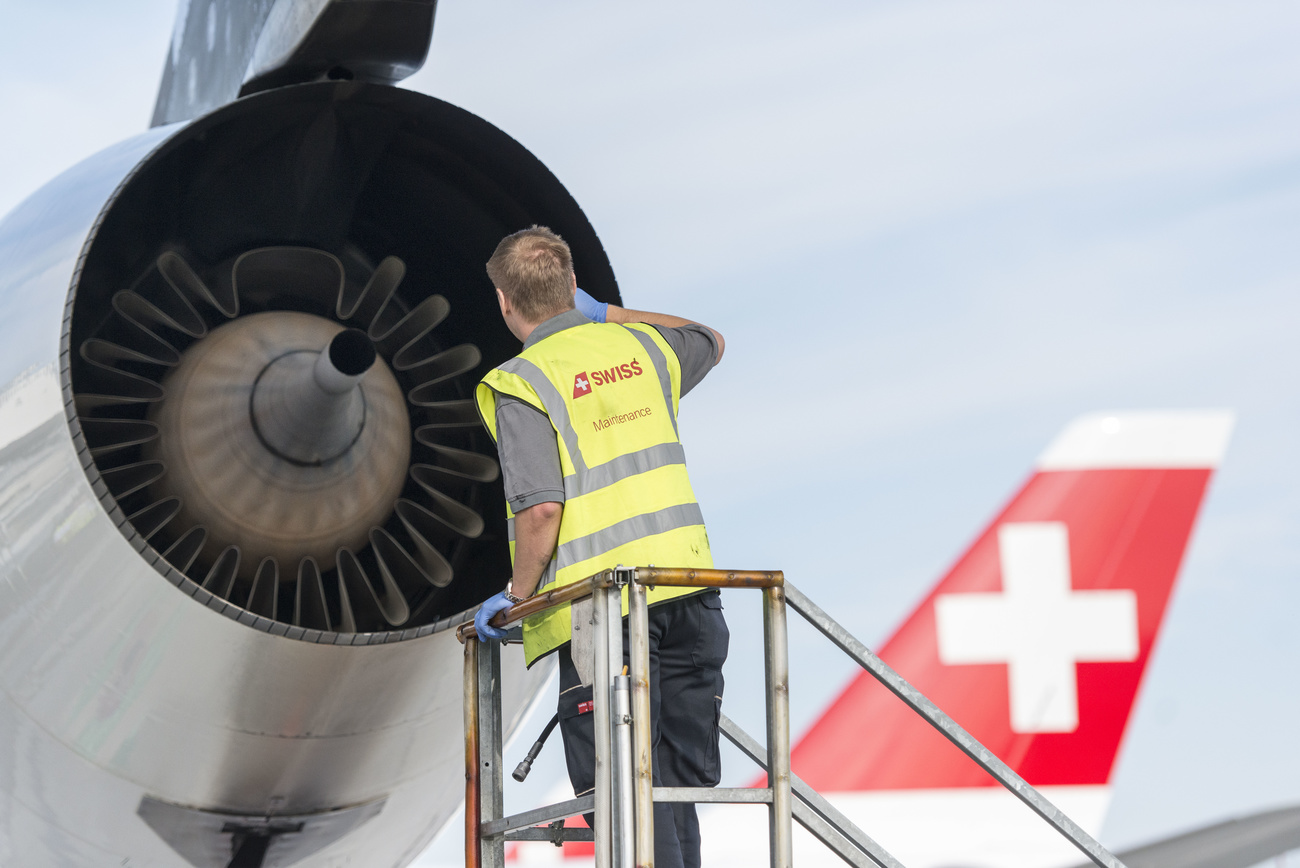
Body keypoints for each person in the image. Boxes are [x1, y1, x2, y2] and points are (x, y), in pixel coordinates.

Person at [473, 226, 727, 868]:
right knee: (670, 790)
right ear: (570, 288)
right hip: (691, 599)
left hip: (605, 620)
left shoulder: (521, 381)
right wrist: (608, 313)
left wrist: (517, 599)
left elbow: (540, 511)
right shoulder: (641, 346)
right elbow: (712, 340)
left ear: (505, 302)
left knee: (623, 799)